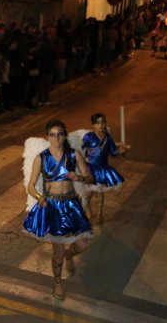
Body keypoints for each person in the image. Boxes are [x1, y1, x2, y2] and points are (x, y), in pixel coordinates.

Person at [23, 120, 93, 300]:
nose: (56, 138)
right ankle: (57, 282)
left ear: (64, 136)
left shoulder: (73, 154)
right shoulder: (42, 158)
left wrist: (79, 177)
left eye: (60, 134)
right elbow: (31, 186)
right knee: (58, 250)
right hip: (53, 206)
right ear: (47, 137)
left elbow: (89, 177)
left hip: (71, 204)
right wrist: (40, 198)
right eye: (52, 134)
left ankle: (71, 255)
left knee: (82, 243)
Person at [80, 113, 126, 223]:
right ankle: (87, 208)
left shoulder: (108, 138)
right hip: (90, 168)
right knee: (89, 192)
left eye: (103, 122)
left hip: (102, 169)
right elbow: (81, 149)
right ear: (93, 125)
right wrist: (82, 161)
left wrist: (120, 151)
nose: (101, 125)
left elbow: (113, 152)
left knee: (100, 192)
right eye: (98, 123)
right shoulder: (89, 136)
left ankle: (100, 215)